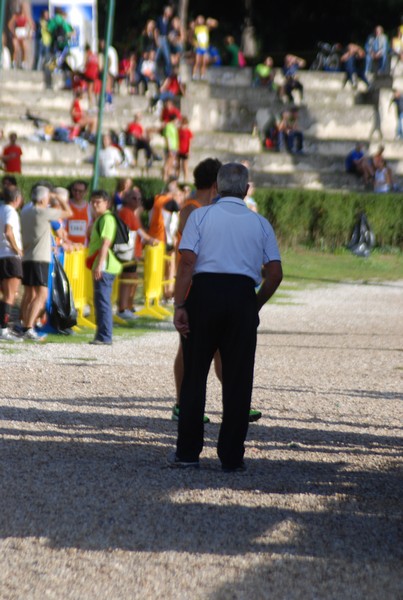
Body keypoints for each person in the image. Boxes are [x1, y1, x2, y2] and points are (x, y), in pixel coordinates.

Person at [170, 162, 282, 470]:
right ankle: (231, 456)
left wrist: (180, 305)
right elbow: (274, 273)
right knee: (238, 379)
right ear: (246, 190)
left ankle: (188, 452)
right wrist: (255, 304)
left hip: (204, 295)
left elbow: (187, 264)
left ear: (217, 188)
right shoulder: (260, 223)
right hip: (242, 296)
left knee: (194, 376)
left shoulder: (200, 216)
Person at [20, 185, 73, 341]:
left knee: (29, 294)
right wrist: (60, 199)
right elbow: (69, 213)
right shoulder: (43, 212)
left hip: (28, 256)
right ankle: (29, 328)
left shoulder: (25, 211)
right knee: (42, 295)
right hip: (40, 257)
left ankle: (23, 324)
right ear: (43, 198)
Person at [87, 190, 122, 345]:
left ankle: (105, 336)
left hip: (105, 266)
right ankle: (102, 335)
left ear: (107, 203)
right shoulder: (100, 219)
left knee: (102, 301)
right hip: (104, 265)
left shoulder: (107, 219)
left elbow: (105, 243)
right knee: (100, 300)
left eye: (98, 202)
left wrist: (100, 264)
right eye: (93, 202)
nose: (94, 205)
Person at [0, 186, 24, 342]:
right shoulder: (11, 211)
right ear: (17, 199)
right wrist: (18, 250)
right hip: (10, 256)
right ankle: (3, 329)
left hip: (1, 255)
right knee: (11, 295)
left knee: (3, 294)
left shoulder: (1, 209)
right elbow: (8, 231)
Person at [190, 15, 219, 80]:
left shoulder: (205, 28)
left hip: (205, 47)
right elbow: (191, 37)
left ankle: (202, 75)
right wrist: (194, 43)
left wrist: (210, 21)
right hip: (199, 47)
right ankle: (194, 74)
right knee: (197, 62)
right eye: (199, 19)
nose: (200, 21)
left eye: (201, 19)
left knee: (204, 62)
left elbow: (214, 24)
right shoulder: (196, 28)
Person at [66, 179, 92, 246]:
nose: (77, 193)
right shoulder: (66, 205)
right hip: (67, 246)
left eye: (80, 191)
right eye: (75, 190)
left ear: (85, 192)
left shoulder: (90, 208)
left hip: (83, 247)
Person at [8, 4, 34, 69]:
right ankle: (14, 62)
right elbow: (10, 24)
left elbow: (31, 25)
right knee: (16, 49)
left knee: (24, 48)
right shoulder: (16, 16)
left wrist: (28, 33)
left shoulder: (25, 16)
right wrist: (13, 32)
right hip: (17, 32)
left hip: (23, 33)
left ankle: (23, 63)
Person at [155, 5, 174, 79]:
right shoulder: (159, 19)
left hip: (165, 40)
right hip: (160, 38)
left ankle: (167, 74)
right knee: (159, 57)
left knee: (164, 57)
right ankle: (159, 73)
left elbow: (170, 33)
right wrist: (157, 40)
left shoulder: (169, 22)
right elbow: (156, 31)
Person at [177, 116, 193, 182]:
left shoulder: (188, 132)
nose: (183, 125)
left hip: (185, 151)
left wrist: (188, 151)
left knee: (185, 166)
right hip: (178, 150)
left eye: (184, 124)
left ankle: (186, 180)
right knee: (177, 166)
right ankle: (177, 178)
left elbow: (190, 142)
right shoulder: (178, 131)